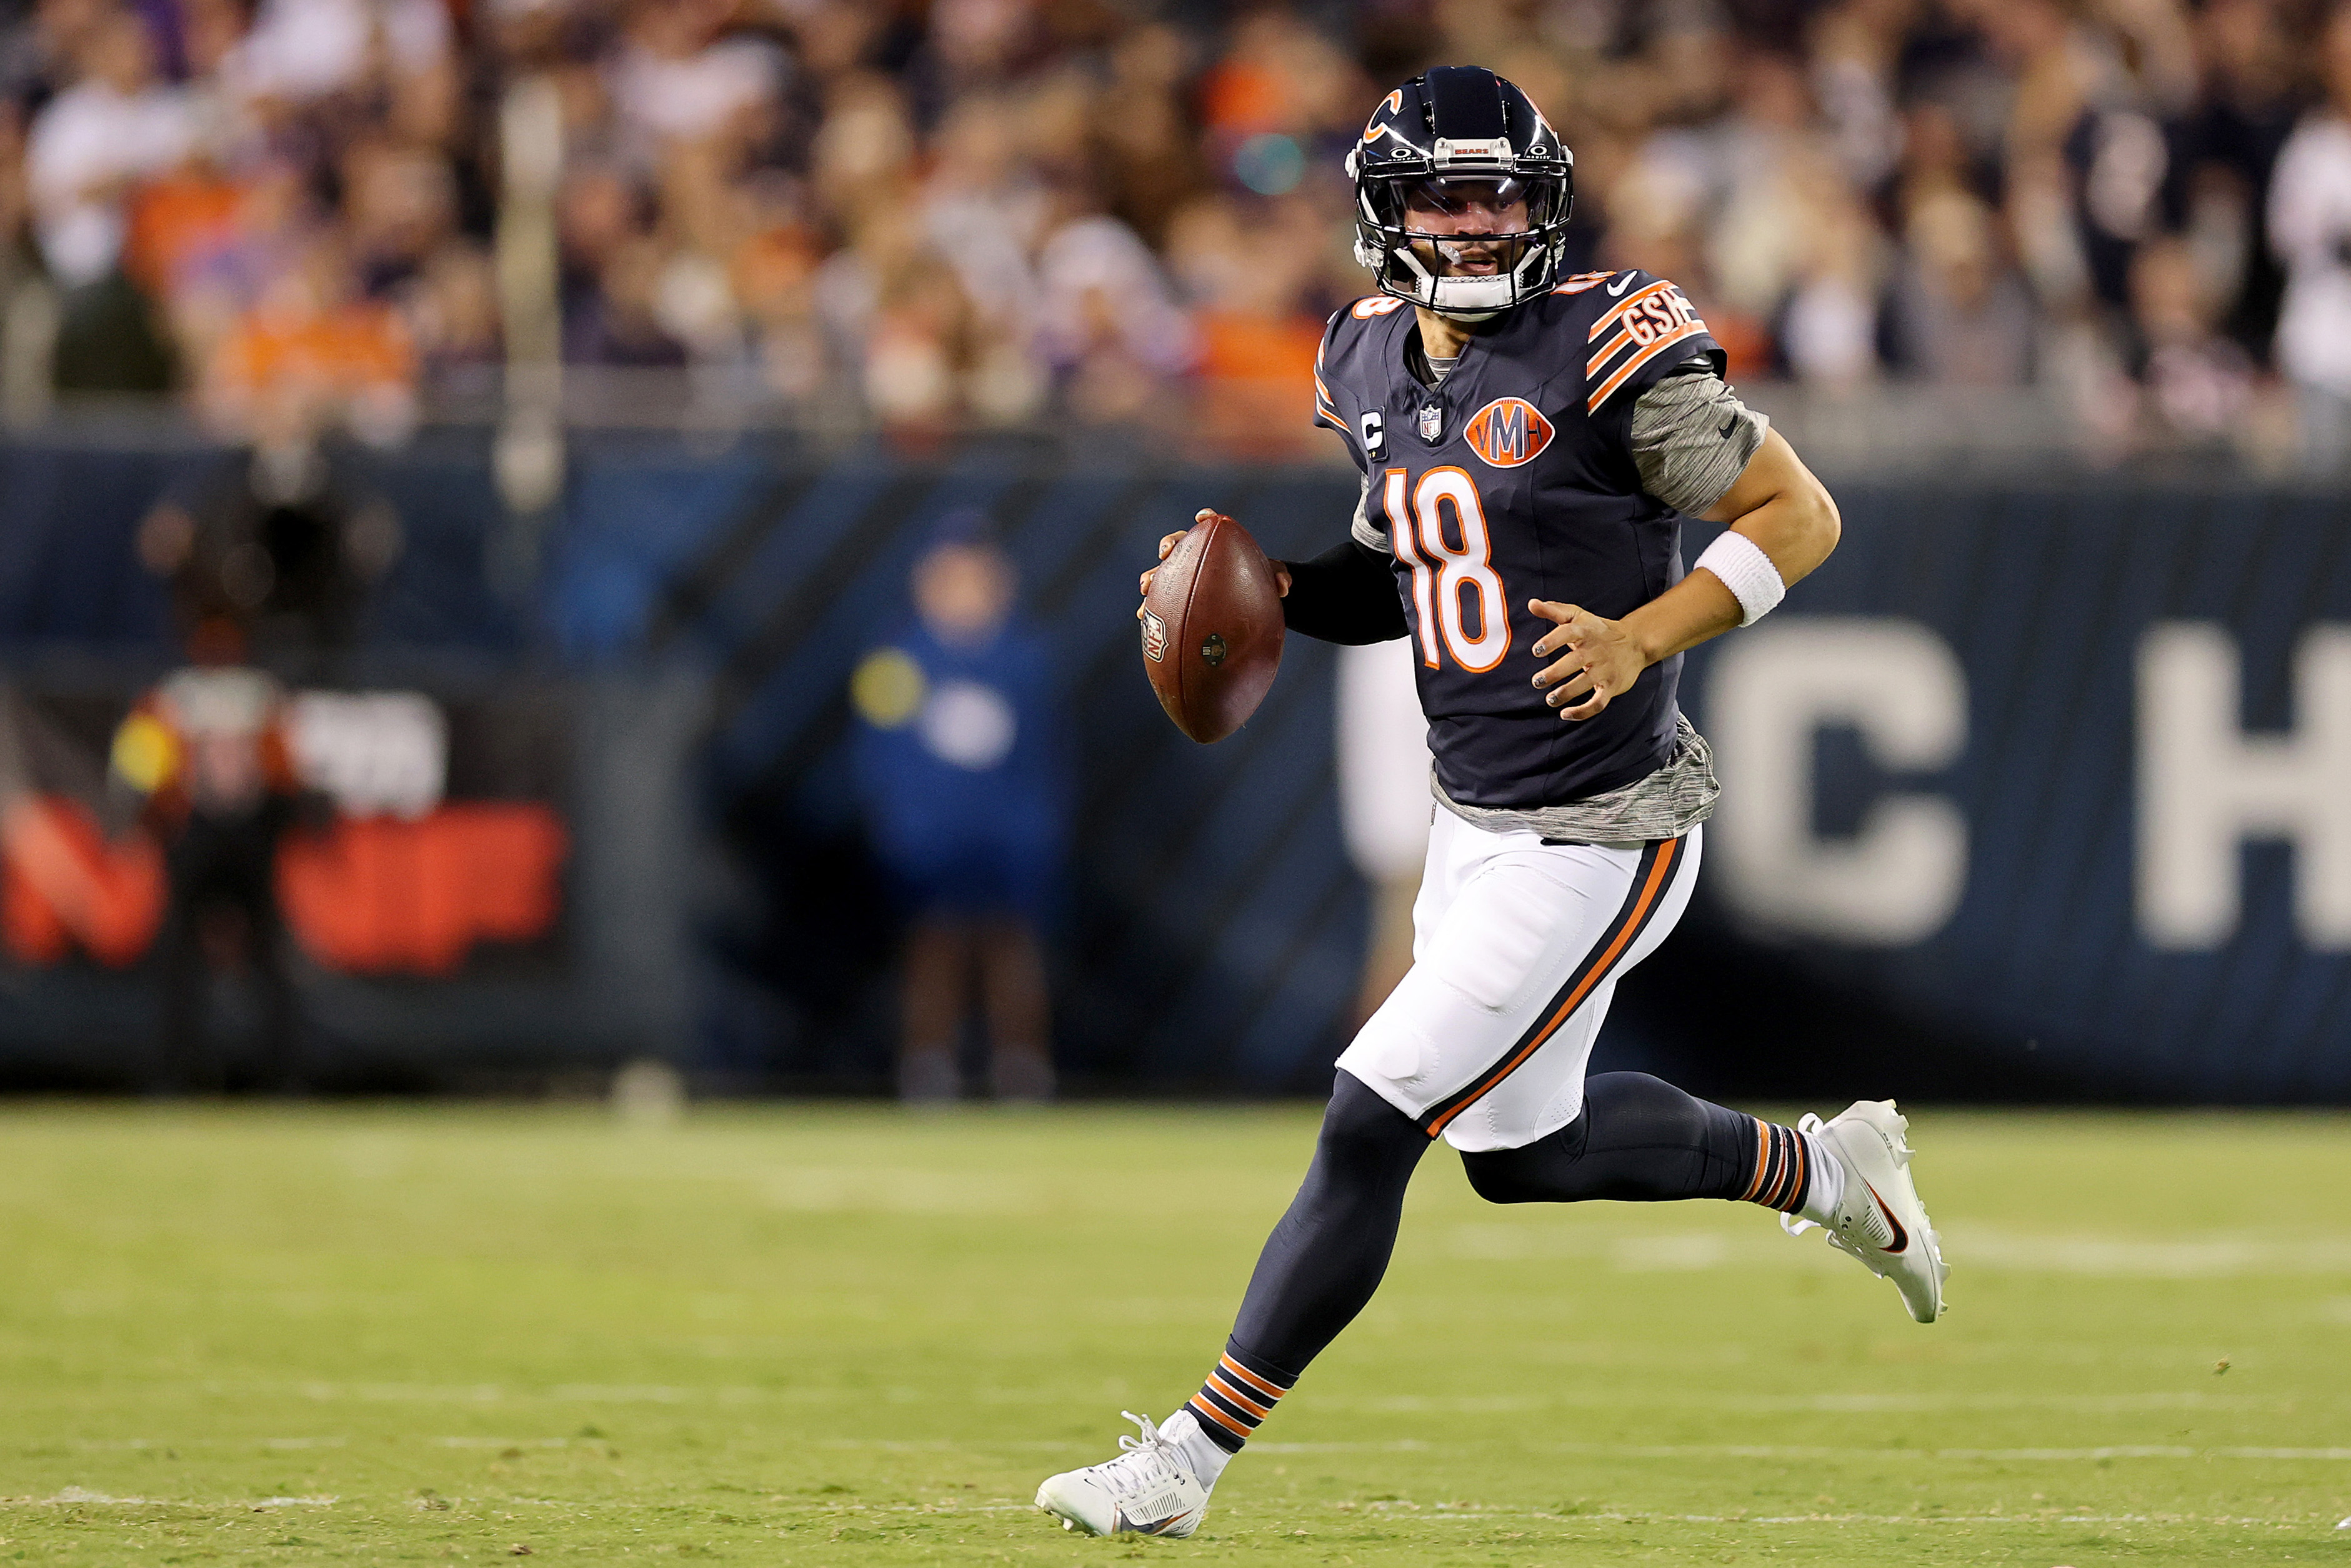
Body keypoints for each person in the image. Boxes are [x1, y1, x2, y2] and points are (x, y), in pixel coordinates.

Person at [1036, 66, 1946, 1540]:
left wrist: (1645, 634)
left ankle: (1182, 1466)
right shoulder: (1361, 358)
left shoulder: (1608, 350)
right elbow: (1406, 575)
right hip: (1474, 821)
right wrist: (1263, 590)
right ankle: (1825, 1167)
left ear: (1545, 205)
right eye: (1444, 199)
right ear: (1386, 215)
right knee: (1524, 1158)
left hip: (1607, 826)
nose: (1471, 225)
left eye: (1497, 196)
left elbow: (1802, 513)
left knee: (1367, 1114)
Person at [849, 516, 1062, 1103]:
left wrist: (1035, 832)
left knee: (1010, 951)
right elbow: (882, 757)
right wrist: (900, 829)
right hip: (930, 838)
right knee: (934, 949)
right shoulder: (898, 660)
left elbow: (1039, 760)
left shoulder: (1023, 658)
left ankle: (1022, 1069)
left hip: (1006, 838)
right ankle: (928, 1067)